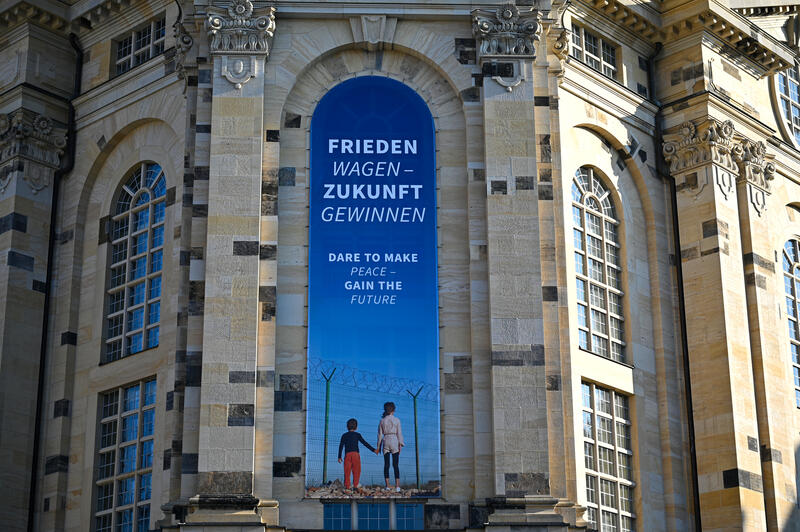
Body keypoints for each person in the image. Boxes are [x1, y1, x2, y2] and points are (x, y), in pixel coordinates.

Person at [337, 418, 378, 489]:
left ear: (347, 427)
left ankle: (347, 486)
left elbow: (341, 446)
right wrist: (373, 450)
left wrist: (339, 457)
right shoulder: (357, 435)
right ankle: (355, 485)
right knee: (356, 470)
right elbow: (365, 443)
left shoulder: (344, 435)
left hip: (347, 455)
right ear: (356, 427)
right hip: (355, 454)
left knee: (347, 471)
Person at [377, 401, 404, 491]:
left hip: (385, 440)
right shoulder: (397, 420)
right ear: (394, 410)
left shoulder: (382, 421)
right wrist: (400, 443)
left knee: (386, 464)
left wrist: (378, 446)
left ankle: (387, 485)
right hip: (394, 439)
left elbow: (380, 435)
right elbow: (399, 433)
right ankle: (397, 486)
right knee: (395, 464)